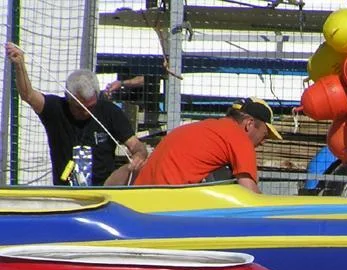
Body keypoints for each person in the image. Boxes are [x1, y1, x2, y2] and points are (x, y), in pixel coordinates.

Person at [5, 42, 148, 186]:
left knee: (136, 169)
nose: (85, 112)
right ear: (69, 99)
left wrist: (139, 155)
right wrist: (19, 65)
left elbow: (136, 145)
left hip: (105, 187)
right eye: (79, 107)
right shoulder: (55, 108)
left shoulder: (110, 111)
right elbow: (28, 95)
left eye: (90, 107)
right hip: (67, 189)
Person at [132, 98, 282, 193]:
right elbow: (248, 191)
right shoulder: (239, 138)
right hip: (167, 203)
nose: (263, 141)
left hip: (140, 197)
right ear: (249, 124)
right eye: (265, 134)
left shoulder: (209, 129)